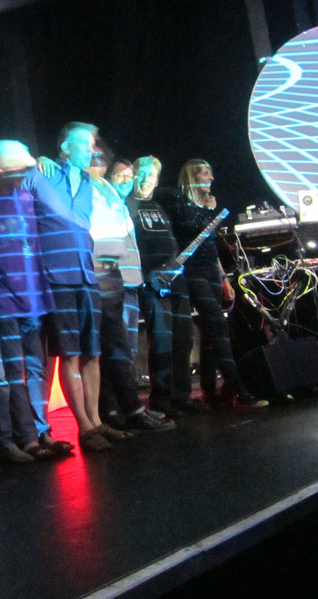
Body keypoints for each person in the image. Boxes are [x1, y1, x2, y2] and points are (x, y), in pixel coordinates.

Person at [25, 122, 114, 452]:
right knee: (71, 353)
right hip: (56, 275)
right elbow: (15, 179)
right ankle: (84, 427)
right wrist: (35, 160)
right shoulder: (45, 173)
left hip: (86, 274)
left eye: (92, 145)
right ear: (65, 147)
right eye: (85, 144)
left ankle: (97, 420)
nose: (92, 150)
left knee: (93, 352)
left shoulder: (90, 183)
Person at [0, 140, 60, 462]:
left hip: (33, 294)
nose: (22, 176)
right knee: (13, 370)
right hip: (2, 297)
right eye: (17, 170)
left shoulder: (26, 196)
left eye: (25, 170)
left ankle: (42, 431)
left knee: (36, 367)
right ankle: (26, 437)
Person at [157, 159, 267, 408]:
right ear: (193, 176)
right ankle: (239, 389)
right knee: (217, 324)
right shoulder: (178, 201)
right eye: (206, 173)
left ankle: (209, 390)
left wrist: (224, 276)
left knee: (211, 332)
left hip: (210, 270)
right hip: (191, 269)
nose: (211, 178)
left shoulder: (210, 204)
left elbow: (211, 244)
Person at [87, 147, 174, 433]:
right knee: (115, 350)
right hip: (115, 285)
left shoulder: (120, 205)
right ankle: (113, 410)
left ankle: (126, 408)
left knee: (128, 349)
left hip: (133, 285)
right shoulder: (100, 199)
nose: (126, 180)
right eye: (120, 176)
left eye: (129, 176)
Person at [127, 156, 200, 417]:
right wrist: (149, 276)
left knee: (184, 339)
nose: (147, 179)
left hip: (176, 279)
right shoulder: (127, 204)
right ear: (134, 175)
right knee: (161, 341)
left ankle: (182, 395)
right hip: (151, 282)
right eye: (142, 173)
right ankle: (161, 399)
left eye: (152, 175)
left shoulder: (161, 205)